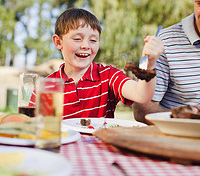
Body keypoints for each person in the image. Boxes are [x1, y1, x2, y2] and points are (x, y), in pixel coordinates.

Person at [35, 8, 163, 119]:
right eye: (77, 39)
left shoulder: (108, 76)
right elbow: (31, 124)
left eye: (93, 40)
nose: (86, 46)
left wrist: (149, 65)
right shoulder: (45, 86)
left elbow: (141, 95)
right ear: (58, 42)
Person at [133, 0, 200, 124]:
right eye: (199, 3)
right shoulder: (166, 41)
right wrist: (191, 119)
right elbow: (142, 110)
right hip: (178, 139)